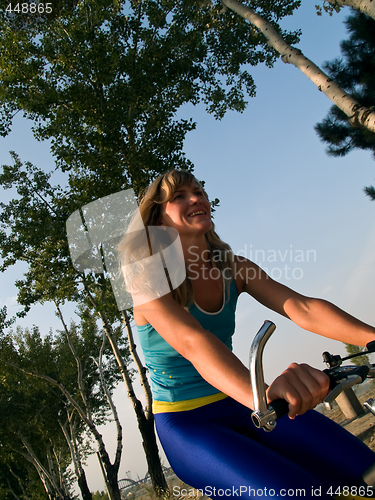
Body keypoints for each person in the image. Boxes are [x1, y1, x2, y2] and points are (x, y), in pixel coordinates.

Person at [119, 169, 375, 499]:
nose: (196, 198)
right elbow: (194, 343)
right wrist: (264, 396)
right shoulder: (145, 278)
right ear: (158, 218)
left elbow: (301, 307)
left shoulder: (235, 267)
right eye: (179, 196)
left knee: (364, 471)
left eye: (199, 192)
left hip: (244, 404)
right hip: (189, 424)